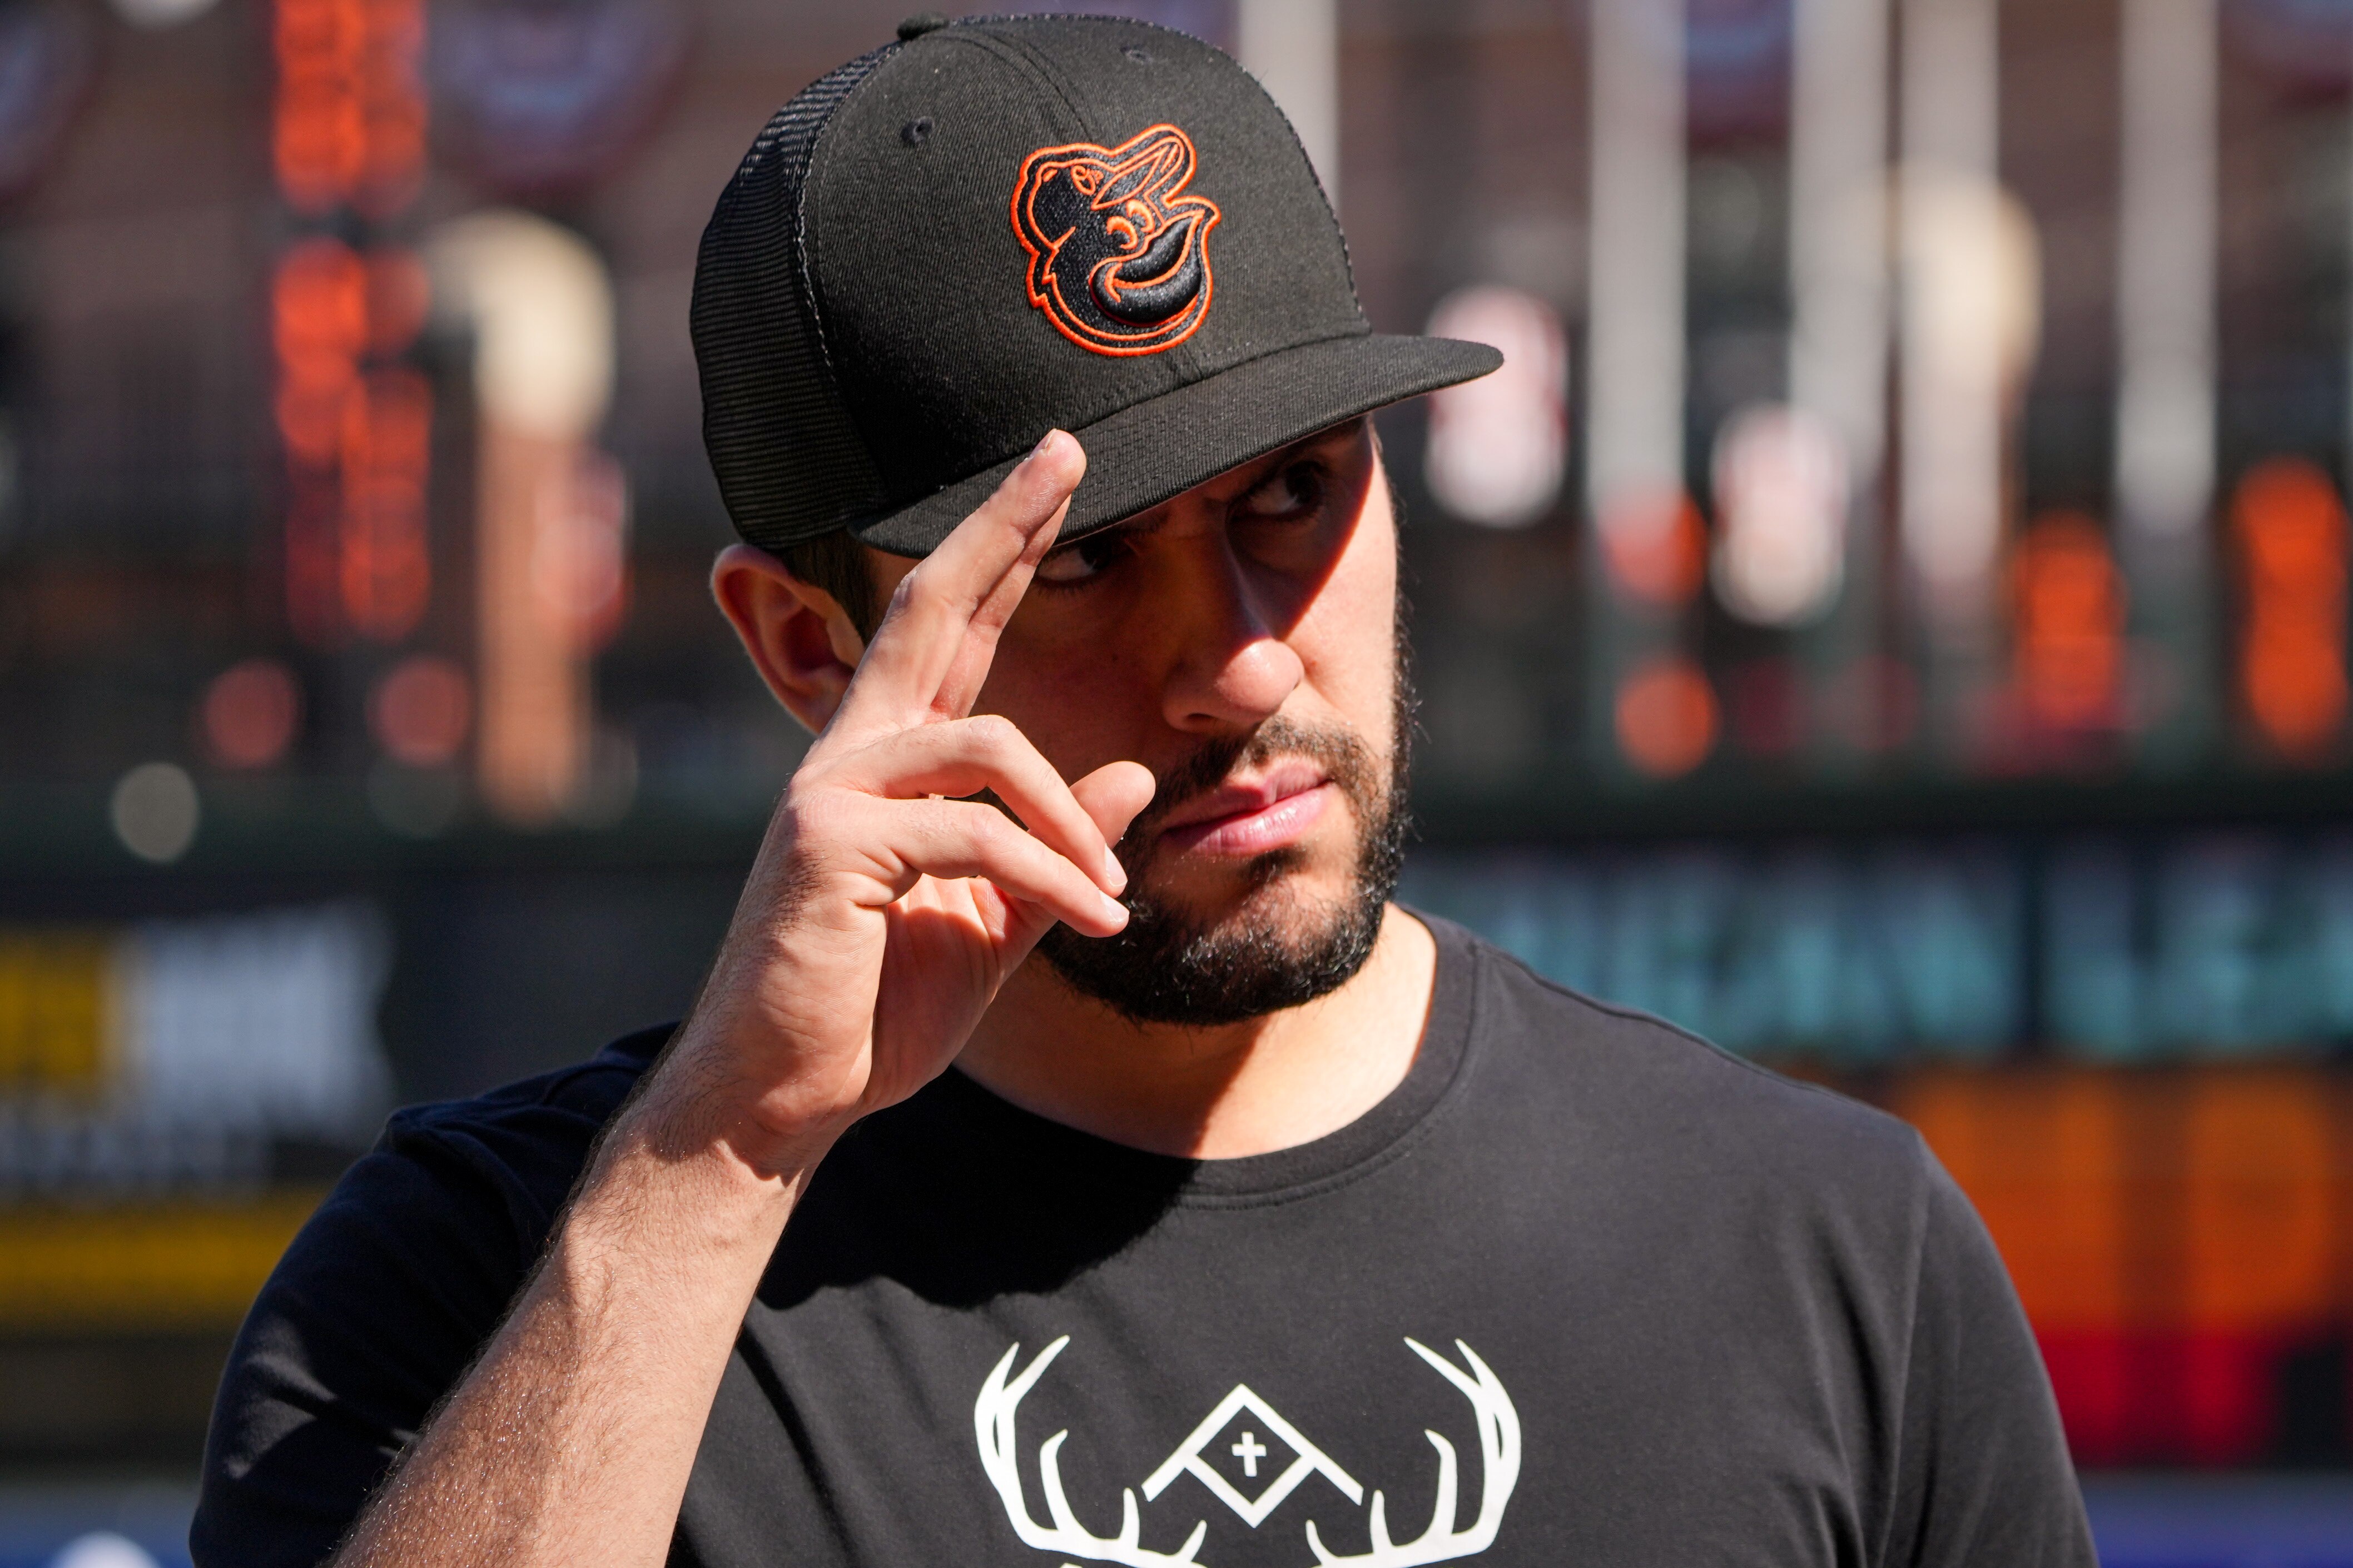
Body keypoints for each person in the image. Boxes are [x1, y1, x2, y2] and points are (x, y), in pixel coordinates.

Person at [193, 14, 2096, 1567]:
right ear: (802, 646)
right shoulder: (483, 1279)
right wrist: (720, 1163)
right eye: (1081, 561)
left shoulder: (1825, 1250)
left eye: (1293, 492)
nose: (1241, 661)